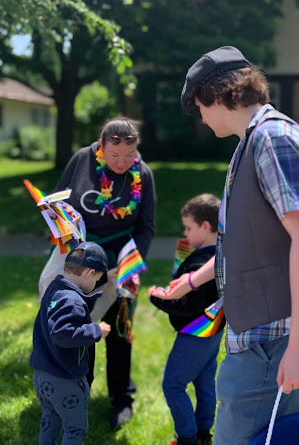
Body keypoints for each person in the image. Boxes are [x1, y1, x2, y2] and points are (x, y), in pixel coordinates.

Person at [152, 46, 299, 445]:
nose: (201, 118)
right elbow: (245, 241)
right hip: (262, 333)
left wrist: (298, 348)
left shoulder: (275, 139)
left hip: (276, 337)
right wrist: (190, 282)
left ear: (216, 94)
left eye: (198, 107)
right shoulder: (252, 141)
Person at [55, 116, 155, 429]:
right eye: (115, 156)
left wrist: (128, 263)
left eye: (129, 156)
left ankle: (121, 398)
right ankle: (77, 394)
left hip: (121, 260)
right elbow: (57, 203)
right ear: (102, 146)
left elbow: (146, 226)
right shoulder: (81, 161)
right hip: (81, 259)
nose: (123, 162)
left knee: (120, 330)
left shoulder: (143, 173)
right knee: (81, 329)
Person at [149, 194, 225, 445]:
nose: (186, 233)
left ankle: (187, 438)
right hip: (213, 331)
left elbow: (187, 304)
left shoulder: (203, 261)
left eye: (189, 227)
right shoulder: (220, 257)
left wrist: (157, 297)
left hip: (195, 332)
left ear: (205, 226)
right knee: (204, 382)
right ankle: (204, 433)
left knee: (173, 384)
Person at [30, 242, 111, 445]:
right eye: (97, 280)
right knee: (75, 428)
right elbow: (63, 334)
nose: (96, 284)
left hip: (42, 375)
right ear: (90, 273)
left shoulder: (55, 289)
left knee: (50, 421)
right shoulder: (71, 299)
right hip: (64, 379)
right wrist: (96, 330)